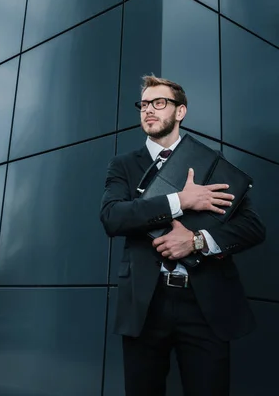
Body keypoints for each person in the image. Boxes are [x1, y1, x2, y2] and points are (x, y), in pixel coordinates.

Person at [100, 75, 266, 396]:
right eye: (144, 104)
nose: (149, 110)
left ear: (180, 112)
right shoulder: (122, 166)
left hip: (205, 304)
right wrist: (181, 201)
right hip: (145, 306)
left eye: (159, 103)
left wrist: (196, 241)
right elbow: (112, 217)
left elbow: (253, 228)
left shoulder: (213, 165)